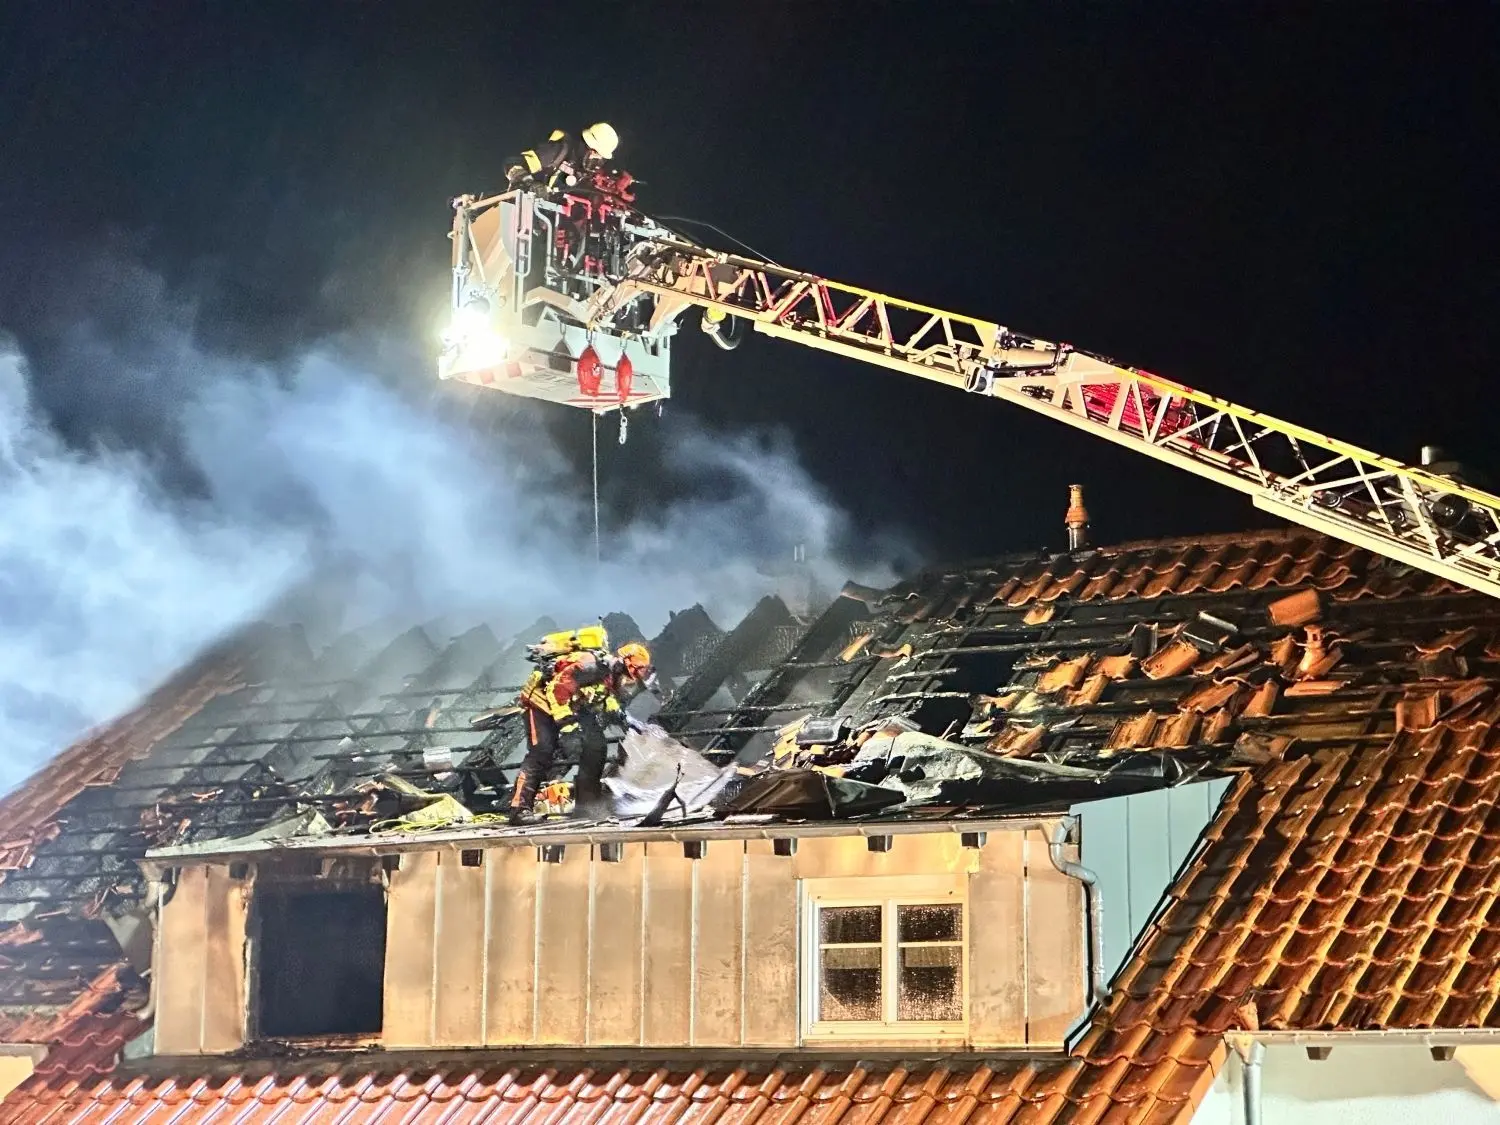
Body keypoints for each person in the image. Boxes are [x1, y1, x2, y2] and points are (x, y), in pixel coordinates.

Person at [507, 640, 658, 821]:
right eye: (637, 670)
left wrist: (623, 717)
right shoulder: (589, 665)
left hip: (570, 707)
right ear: (627, 663)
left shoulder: (612, 675)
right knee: (541, 752)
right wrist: (568, 727)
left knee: (596, 747)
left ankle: (587, 807)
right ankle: (519, 810)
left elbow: (603, 697)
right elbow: (557, 690)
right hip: (540, 704)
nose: (635, 676)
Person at [504, 122, 620, 193]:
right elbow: (512, 163)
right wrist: (529, 183)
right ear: (588, 146)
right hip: (525, 211)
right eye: (596, 153)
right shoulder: (559, 151)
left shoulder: (584, 174)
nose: (597, 160)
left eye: (601, 157)